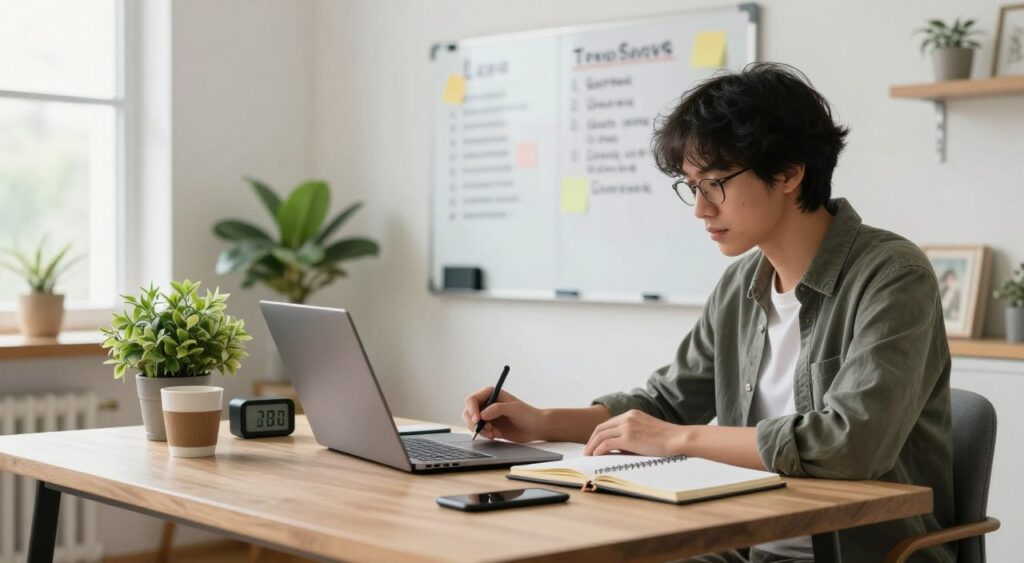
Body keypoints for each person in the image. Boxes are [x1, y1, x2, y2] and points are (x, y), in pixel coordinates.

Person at [462, 63, 954, 563]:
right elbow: (668, 403)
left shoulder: (892, 275)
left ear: (788, 172)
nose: (700, 209)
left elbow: (851, 444)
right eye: (690, 186)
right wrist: (543, 421)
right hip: (742, 546)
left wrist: (680, 440)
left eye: (714, 183)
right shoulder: (741, 284)